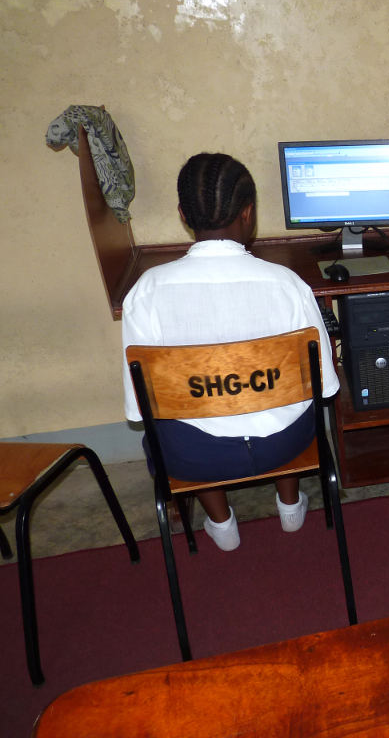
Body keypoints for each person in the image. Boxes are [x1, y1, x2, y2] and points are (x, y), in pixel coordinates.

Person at [121, 153, 340, 550]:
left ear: (183, 215)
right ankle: (290, 506)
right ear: (249, 214)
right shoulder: (288, 284)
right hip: (285, 443)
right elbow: (324, 385)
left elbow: (140, 409)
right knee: (293, 399)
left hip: (195, 456)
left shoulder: (147, 291)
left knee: (177, 418)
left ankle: (222, 526)